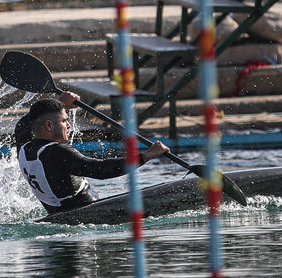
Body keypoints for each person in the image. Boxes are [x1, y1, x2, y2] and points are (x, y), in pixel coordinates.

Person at [15, 91, 170, 213]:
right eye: (63, 121)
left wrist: (60, 104)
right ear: (48, 126)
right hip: (84, 213)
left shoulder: (24, 147)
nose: (69, 125)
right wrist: (147, 155)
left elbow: (23, 124)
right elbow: (100, 169)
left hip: (56, 213)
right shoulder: (56, 153)